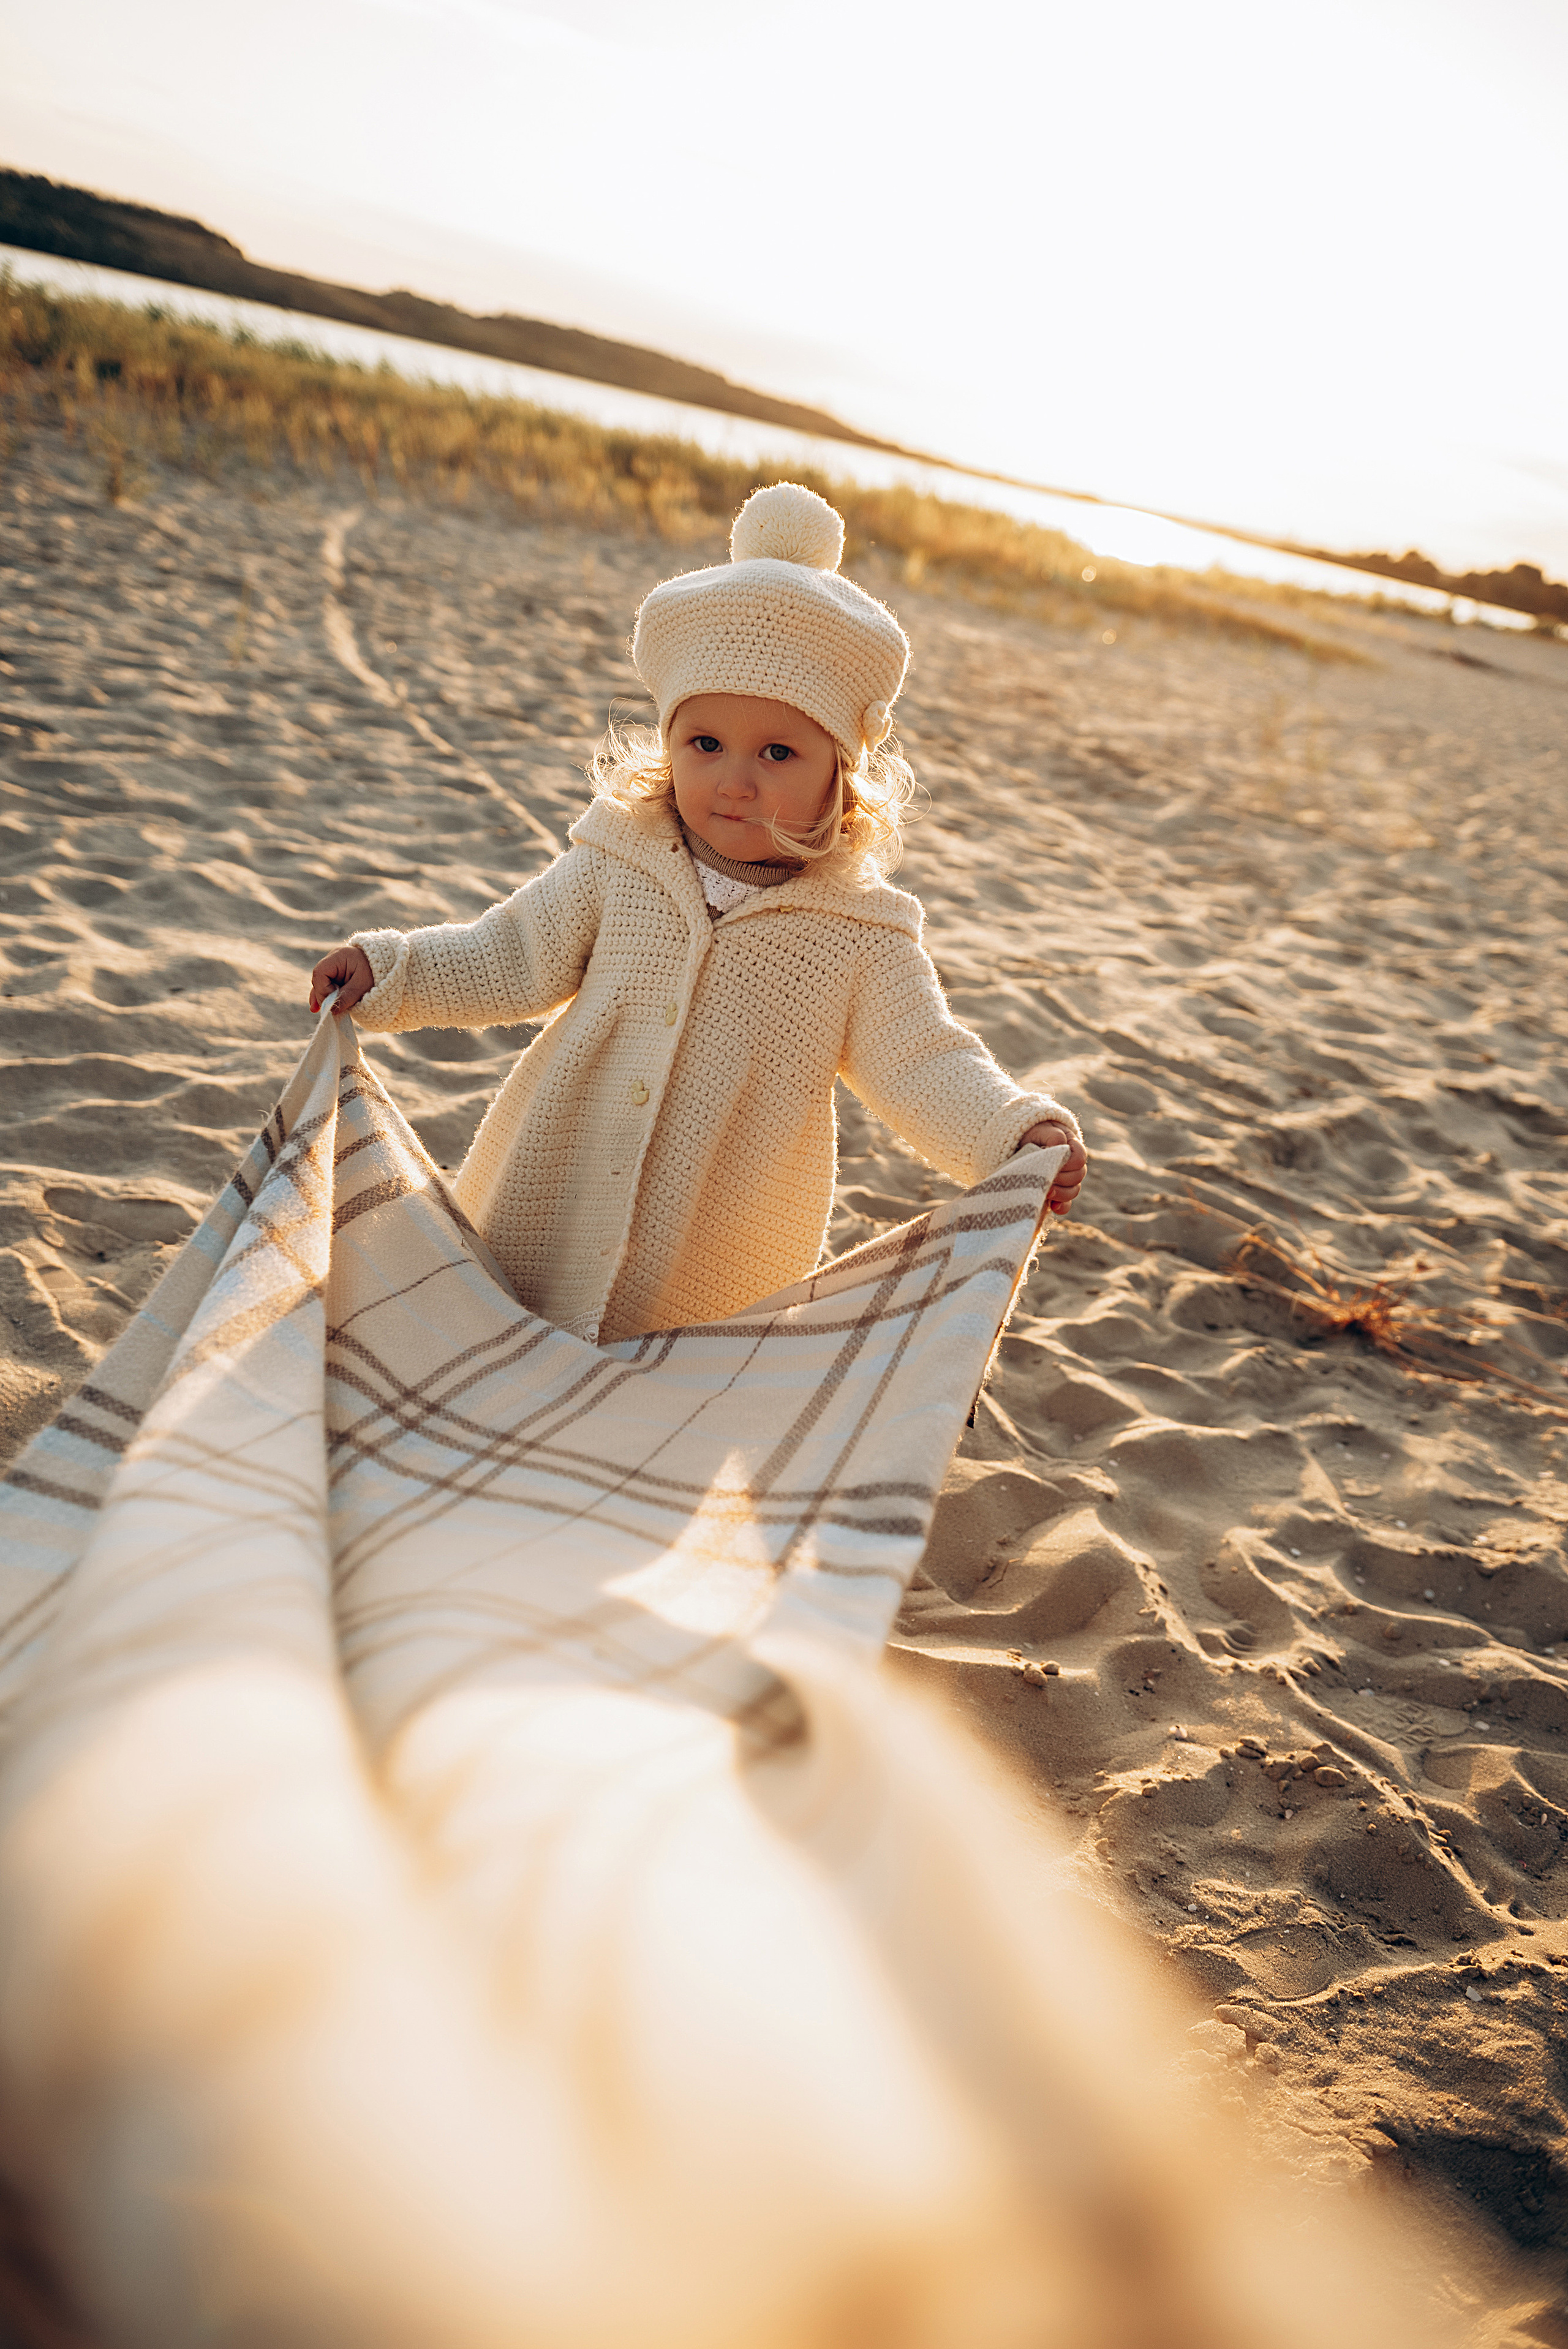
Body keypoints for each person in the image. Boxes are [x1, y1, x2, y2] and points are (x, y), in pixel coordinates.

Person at [309, 483, 1087, 1346]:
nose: (735, 781)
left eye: (779, 752)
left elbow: (920, 1061)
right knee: (496, 1355)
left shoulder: (861, 936)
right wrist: (394, 972)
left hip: (710, 1260)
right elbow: (509, 954)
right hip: (550, 1194)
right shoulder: (621, 862)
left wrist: (1006, 1132)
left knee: (656, 1400)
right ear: (670, 741)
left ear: (841, 771)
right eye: (705, 744)